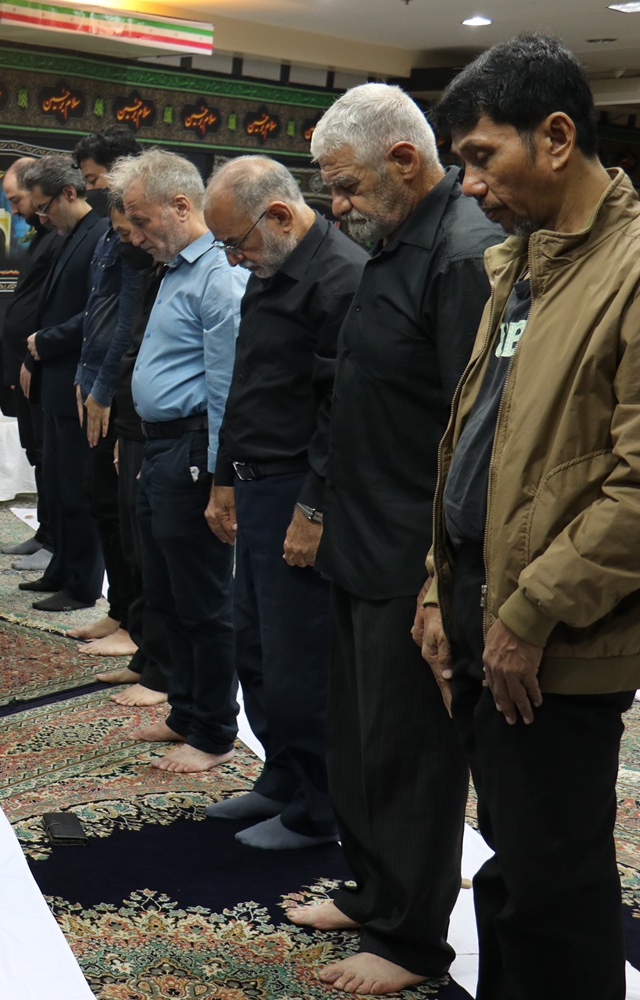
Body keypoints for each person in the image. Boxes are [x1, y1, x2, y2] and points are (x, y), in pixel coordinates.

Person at [419, 33, 640, 1000]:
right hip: (487, 602)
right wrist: (441, 586)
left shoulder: (630, 268)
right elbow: (481, 443)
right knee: (514, 858)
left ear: (556, 136)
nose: (467, 184)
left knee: (555, 881)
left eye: (479, 156)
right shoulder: (524, 265)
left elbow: (637, 489)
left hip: (560, 631)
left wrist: (528, 612)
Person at [284, 83, 504, 995]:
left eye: (342, 188)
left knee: (412, 759)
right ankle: (378, 896)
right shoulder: (395, 241)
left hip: (416, 558)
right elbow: (357, 391)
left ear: (404, 162)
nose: (334, 209)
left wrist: (439, 579)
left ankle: (412, 942)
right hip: (360, 542)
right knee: (361, 744)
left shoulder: (462, 255)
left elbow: (478, 433)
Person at [201, 156, 367, 849]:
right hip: (256, 482)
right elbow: (248, 384)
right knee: (255, 646)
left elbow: (343, 413)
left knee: (302, 665)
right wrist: (222, 478)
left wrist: (314, 509)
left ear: (278, 215)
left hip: (301, 491)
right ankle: (283, 773)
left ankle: (321, 806)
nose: (234, 260)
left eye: (237, 242)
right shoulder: (268, 271)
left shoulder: (340, 278)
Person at [112, 150, 247, 773]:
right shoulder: (173, 270)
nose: (135, 236)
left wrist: (222, 482)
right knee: (165, 587)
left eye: (142, 221)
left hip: (194, 449)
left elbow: (226, 389)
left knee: (202, 596)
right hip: (162, 446)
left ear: (182, 206)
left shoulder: (219, 274)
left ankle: (216, 731)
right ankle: (186, 710)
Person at [67, 125, 151, 660]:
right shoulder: (107, 228)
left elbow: (126, 322)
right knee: (102, 502)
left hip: (117, 390)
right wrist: (83, 374)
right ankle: (120, 609)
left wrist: (101, 388)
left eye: (96, 176)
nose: (90, 186)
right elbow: (96, 310)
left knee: (126, 515)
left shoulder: (137, 235)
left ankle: (136, 621)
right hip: (94, 382)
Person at [18, 155, 107, 612]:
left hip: (75, 380)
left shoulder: (99, 236)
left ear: (70, 194)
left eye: (44, 207)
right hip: (54, 381)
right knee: (54, 485)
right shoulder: (69, 235)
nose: (41, 217)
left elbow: (95, 315)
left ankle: (82, 583)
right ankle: (60, 569)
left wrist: (46, 342)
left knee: (76, 490)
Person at [0, 157, 59, 570]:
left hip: (43, 364)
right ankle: (44, 532)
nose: (15, 210)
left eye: (17, 200)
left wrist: (35, 356)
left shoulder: (60, 237)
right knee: (37, 452)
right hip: (25, 364)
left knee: (51, 454)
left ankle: (57, 542)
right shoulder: (41, 237)